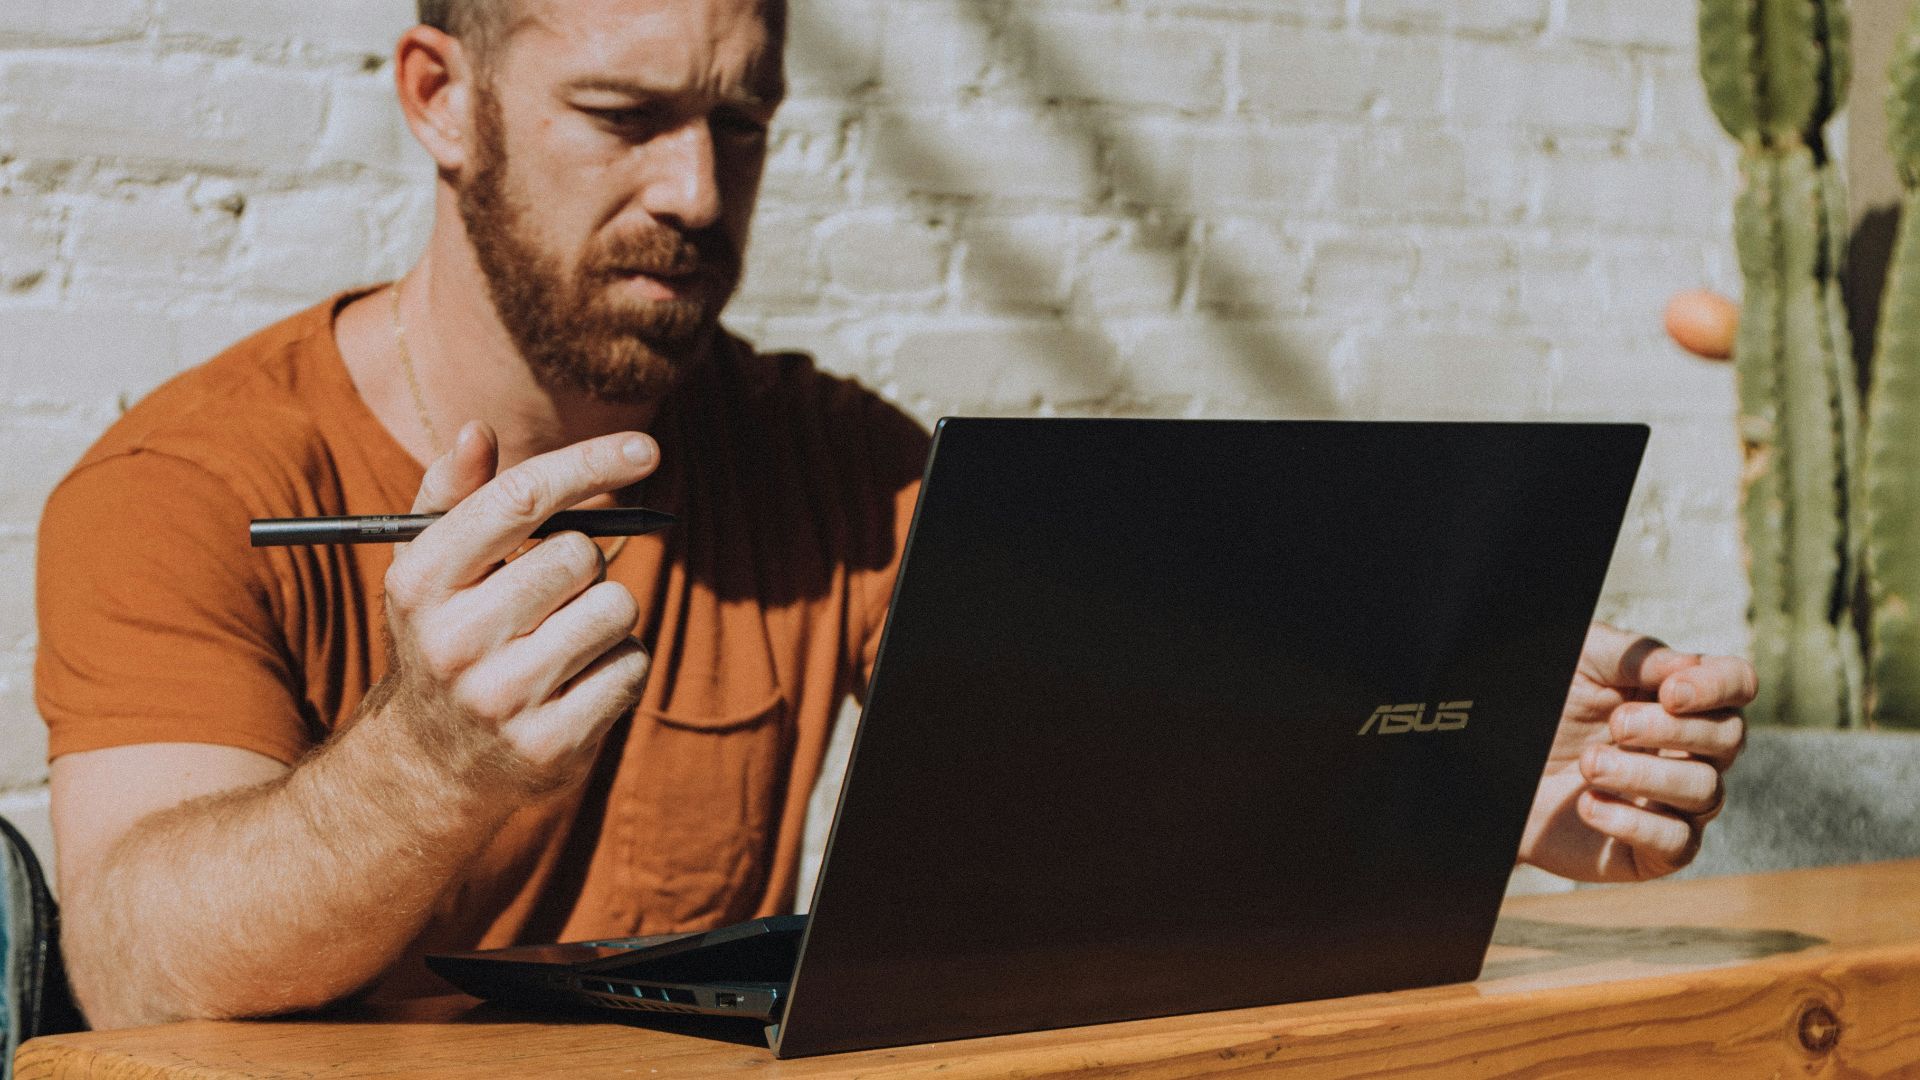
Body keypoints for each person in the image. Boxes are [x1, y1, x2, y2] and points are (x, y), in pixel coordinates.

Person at [33, 0, 1755, 1031]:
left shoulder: (825, 469)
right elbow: (128, 968)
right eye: (625, 119)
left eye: (743, 123)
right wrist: (422, 764)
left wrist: (1452, 779)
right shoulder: (189, 490)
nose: (696, 193)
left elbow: (1148, 729)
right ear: (441, 97)